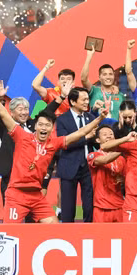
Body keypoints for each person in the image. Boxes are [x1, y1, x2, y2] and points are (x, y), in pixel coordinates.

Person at [0, 80, 106, 224]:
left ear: (52, 128)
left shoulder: (54, 143)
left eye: (48, 125)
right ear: (36, 126)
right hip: (16, 194)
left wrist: (100, 118)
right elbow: (3, 113)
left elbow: (80, 133)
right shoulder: (21, 136)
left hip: (36, 196)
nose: (44, 127)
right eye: (40, 124)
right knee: (10, 232)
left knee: (53, 226)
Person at [0, 80, 64, 203]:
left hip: (32, 175)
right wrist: (0, 98)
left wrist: (62, 97)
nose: (24, 112)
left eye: (26, 109)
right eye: (20, 109)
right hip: (11, 174)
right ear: (12, 113)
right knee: (10, 209)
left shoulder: (33, 125)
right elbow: (0, 114)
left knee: (32, 211)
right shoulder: (8, 126)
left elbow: (48, 111)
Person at [55, 87, 98, 223]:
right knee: (68, 208)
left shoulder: (91, 118)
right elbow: (64, 143)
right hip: (69, 166)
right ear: (73, 102)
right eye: (84, 99)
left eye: (88, 99)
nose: (87, 102)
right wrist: (85, 138)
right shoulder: (62, 120)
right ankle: (68, 235)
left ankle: (89, 234)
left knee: (89, 205)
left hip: (89, 167)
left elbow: (96, 142)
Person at [87, 125, 126, 223]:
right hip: (101, 206)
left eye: (111, 134)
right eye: (105, 135)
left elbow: (128, 178)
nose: (109, 136)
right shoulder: (93, 155)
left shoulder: (121, 159)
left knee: (121, 236)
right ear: (98, 140)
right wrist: (124, 147)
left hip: (119, 205)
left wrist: (123, 179)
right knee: (101, 237)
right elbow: (104, 160)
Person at [81, 44, 125, 120]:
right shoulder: (94, 91)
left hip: (114, 130)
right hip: (97, 129)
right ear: (99, 78)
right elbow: (83, 79)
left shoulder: (120, 95)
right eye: (104, 74)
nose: (108, 77)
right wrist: (89, 56)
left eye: (110, 74)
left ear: (114, 76)